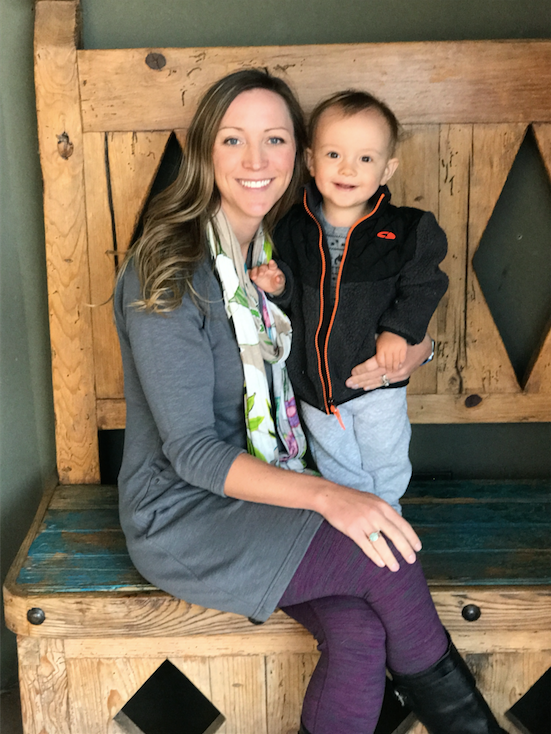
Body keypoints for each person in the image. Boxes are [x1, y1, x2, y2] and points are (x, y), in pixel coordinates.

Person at [114, 68, 506, 734]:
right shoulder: (168, 270)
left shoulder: (287, 253)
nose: (256, 161)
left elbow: (363, 333)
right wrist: (331, 497)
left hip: (272, 496)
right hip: (185, 515)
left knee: (357, 631)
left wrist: (420, 352)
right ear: (205, 149)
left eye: (275, 140)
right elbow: (191, 452)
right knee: (385, 554)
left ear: (297, 152)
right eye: (234, 140)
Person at [254, 90, 447, 515]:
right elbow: (293, 302)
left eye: (365, 159)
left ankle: (388, 511)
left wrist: (400, 330)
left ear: (387, 168)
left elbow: (423, 284)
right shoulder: (294, 227)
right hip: (315, 385)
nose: (347, 168)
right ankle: (361, 521)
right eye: (334, 154)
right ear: (310, 161)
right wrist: (279, 284)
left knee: (386, 458)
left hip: (376, 383)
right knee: (337, 466)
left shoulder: (406, 231)